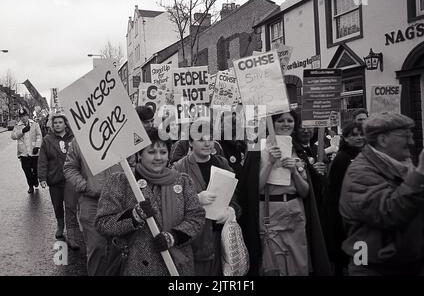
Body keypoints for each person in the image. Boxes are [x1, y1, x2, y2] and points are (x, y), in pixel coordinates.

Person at [95, 127, 205, 275]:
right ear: (140, 154)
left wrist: (173, 236)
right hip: (135, 266)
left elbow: (196, 217)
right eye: (152, 152)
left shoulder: (182, 181)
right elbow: (103, 224)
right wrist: (133, 216)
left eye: (163, 152)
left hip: (176, 266)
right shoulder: (121, 182)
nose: (158, 157)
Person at [238, 110, 331, 276]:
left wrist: (295, 172)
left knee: (299, 263)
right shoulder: (258, 148)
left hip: (296, 213)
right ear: (272, 123)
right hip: (270, 214)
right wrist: (270, 163)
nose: (286, 124)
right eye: (281, 120)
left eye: (290, 121)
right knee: (274, 265)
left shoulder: (297, 148)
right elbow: (252, 191)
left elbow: (305, 192)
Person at [339, 112, 424, 276]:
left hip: (403, 265)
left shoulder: (402, 165)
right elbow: (387, 212)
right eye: (405, 136)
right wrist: (419, 175)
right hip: (371, 266)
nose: (412, 142)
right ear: (383, 140)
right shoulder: (359, 173)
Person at [173, 126, 240, 276]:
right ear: (190, 142)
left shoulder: (222, 163)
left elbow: (234, 196)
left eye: (210, 139)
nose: (207, 143)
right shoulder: (179, 168)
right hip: (195, 239)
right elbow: (172, 204)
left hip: (219, 235)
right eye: (201, 139)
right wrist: (195, 199)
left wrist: (231, 210)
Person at [64, 139, 122, 275]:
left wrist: (126, 186)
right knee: (97, 248)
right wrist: (85, 186)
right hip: (92, 202)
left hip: (119, 202)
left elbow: (133, 163)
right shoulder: (80, 139)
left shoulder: (122, 132)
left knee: (119, 248)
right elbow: (69, 168)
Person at [322, 121, 365, 275]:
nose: (359, 137)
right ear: (345, 138)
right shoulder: (342, 159)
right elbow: (336, 191)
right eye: (354, 135)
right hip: (345, 217)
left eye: (361, 134)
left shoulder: (362, 155)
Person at [37, 112, 80, 249]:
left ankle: (72, 236)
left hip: (71, 179)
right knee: (57, 206)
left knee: (71, 207)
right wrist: (42, 177)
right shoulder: (47, 140)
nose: (57, 125)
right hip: (55, 179)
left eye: (60, 122)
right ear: (52, 124)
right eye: (55, 123)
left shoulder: (74, 138)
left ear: (65, 123)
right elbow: (42, 160)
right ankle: (60, 226)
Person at [11, 108, 42, 194]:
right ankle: (30, 186)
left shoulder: (35, 124)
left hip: (34, 153)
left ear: (27, 115)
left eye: (24, 116)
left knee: (36, 170)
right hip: (23, 153)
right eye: (21, 116)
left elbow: (39, 135)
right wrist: (22, 131)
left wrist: (37, 146)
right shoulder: (17, 126)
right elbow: (13, 136)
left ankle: (35, 180)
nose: (23, 118)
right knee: (27, 171)